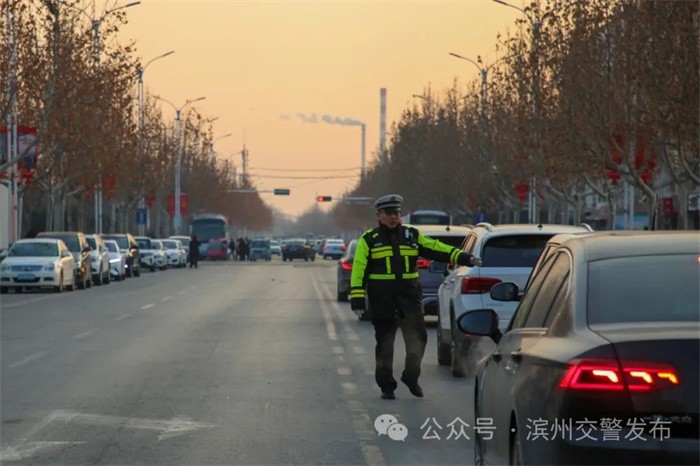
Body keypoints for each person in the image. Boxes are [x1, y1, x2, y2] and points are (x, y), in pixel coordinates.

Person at [350, 194, 482, 400]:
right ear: (379, 215)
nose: (393, 217)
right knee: (385, 344)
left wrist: (465, 257)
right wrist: (357, 298)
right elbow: (359, 269)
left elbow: (436, 248)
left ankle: (411, 377)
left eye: (396, 213)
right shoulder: (369, 239)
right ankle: (386, 387)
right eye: (388, 213)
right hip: (383, 299)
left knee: (419, 339)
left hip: (409, 299)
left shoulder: (412, 235)